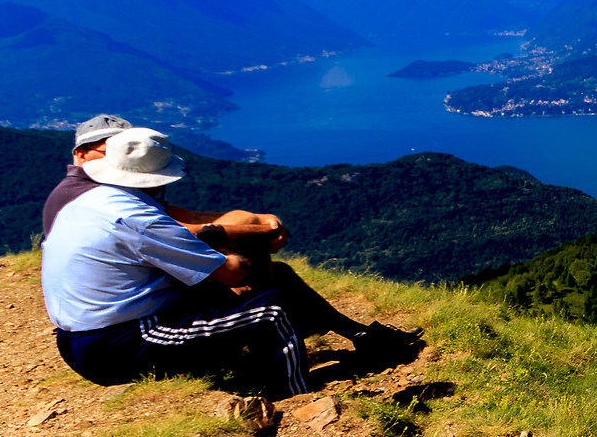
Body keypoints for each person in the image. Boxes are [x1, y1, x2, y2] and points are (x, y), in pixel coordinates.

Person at [41, 121, 421, 398]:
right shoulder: (134, 217)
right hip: (116, 345)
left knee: (279, 278)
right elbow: (232, 272)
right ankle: (295, 395)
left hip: (99, 332)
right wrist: (258, 240)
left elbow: (189, 236)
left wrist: (241, 236)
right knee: (270, 311)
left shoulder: (98, 199)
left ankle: (361, 337)